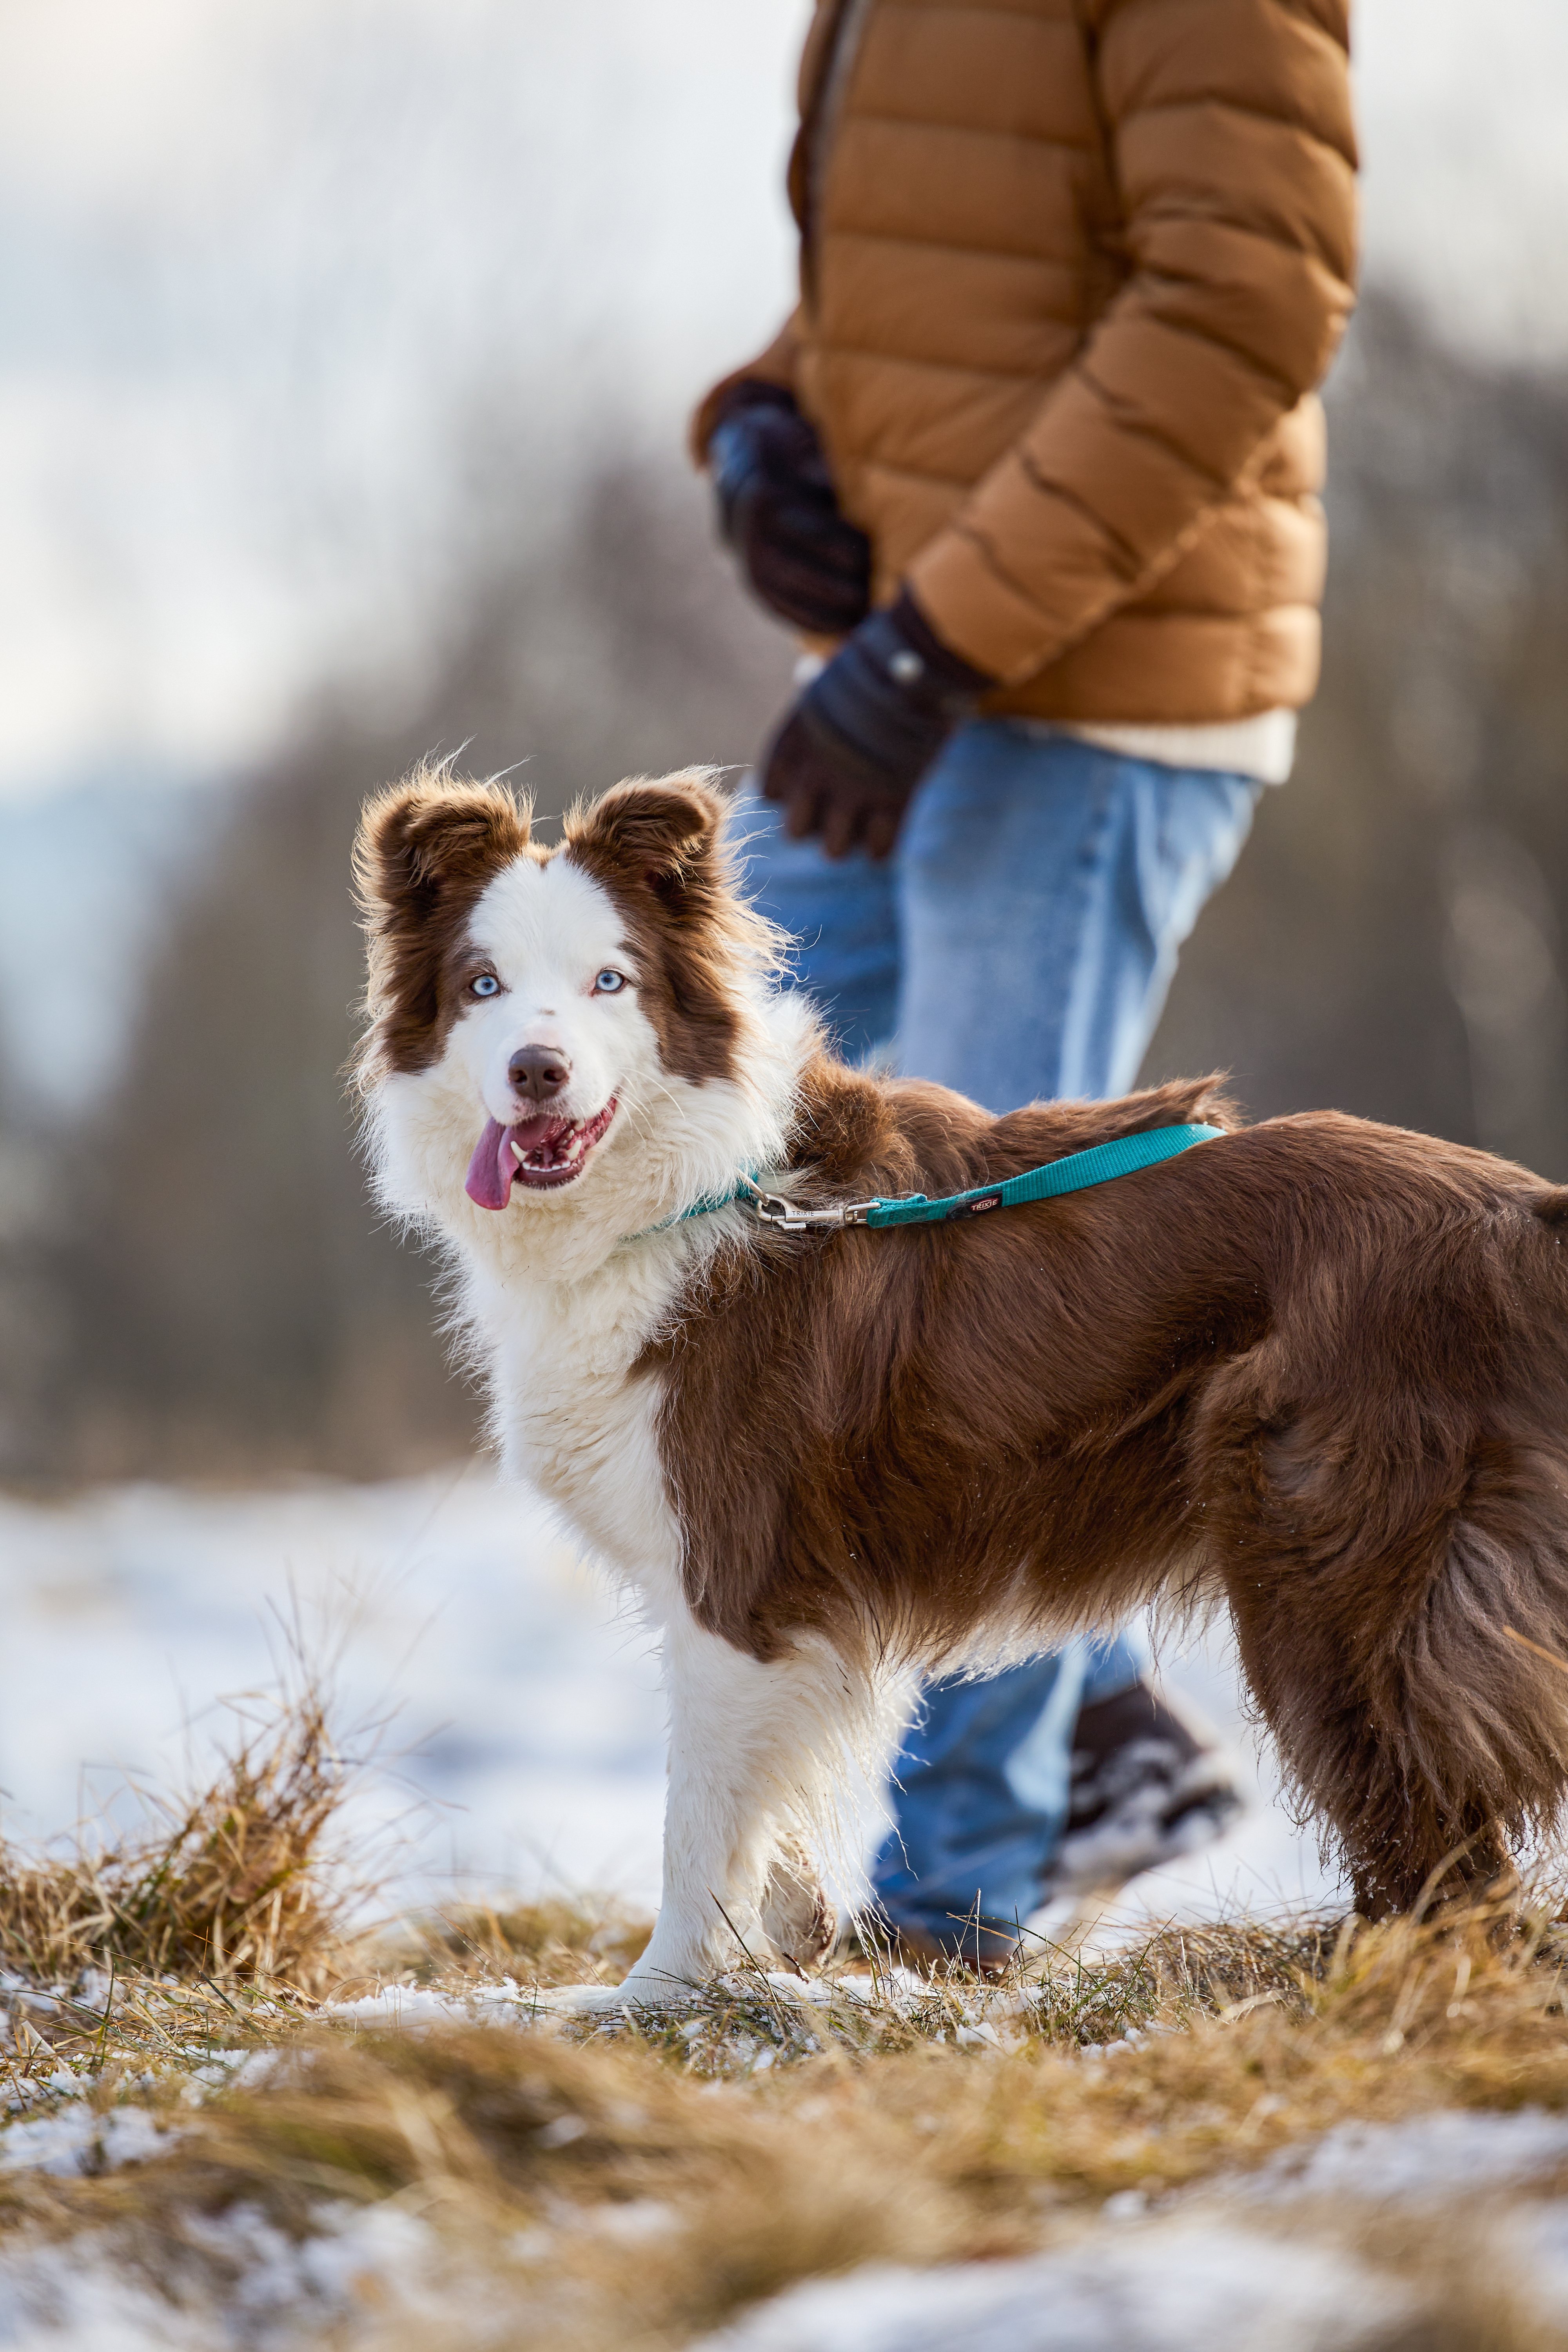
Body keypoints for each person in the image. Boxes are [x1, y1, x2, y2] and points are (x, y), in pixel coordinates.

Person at [692, 0, 1357, 1969]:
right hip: (916, 662)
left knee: (972, 1289)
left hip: (1083, 695)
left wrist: (933, 652)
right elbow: (929, 265)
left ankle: (955, 1905)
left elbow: (1241, 299)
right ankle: (1091, 1735)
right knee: (737, 1213)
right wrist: (753, 419)